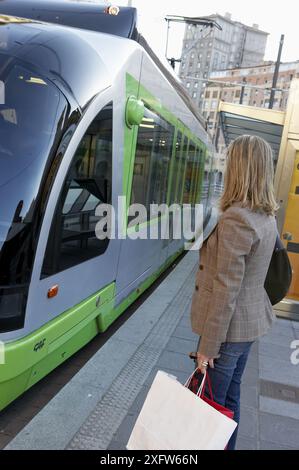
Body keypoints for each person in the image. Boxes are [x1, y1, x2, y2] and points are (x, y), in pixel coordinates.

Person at [190, 135, 278, 450]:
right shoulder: (266, 214)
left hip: (226, 333)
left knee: (207, 406)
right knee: (229, 398)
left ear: (239, 169)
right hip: (249, 326)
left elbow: (226, 290)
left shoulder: (236, 219)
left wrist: (207, 348)